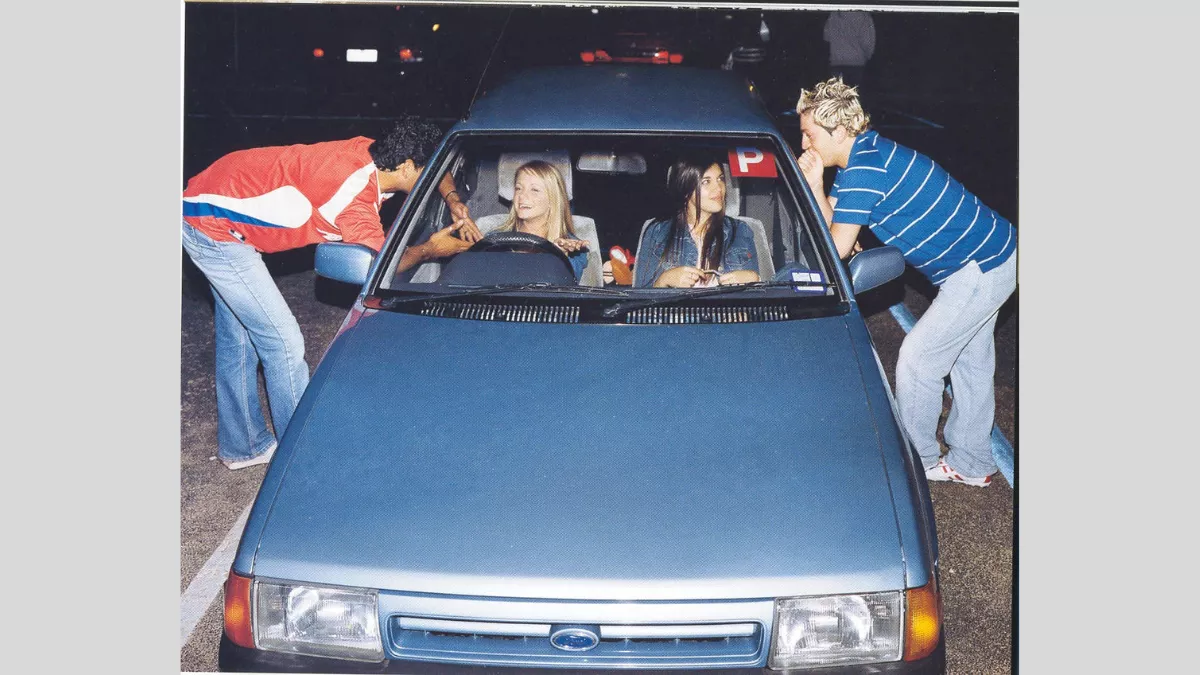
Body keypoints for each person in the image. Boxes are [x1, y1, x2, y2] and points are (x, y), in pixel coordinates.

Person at [181, 116, 481, 470]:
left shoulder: (374, 154)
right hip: (211, 226)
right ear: (405, 167)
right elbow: (378, 265)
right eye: (427, 173)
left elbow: (432, 164)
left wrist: (452, 198)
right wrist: (431, 250)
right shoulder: (352, 202)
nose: (432, 179)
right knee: (283, 341)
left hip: (219, 193)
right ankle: (299, 463)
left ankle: (243, 447)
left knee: (241, 339)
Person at [795, 77, 1016, 487]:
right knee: (970, 362)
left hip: (981, 265)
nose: (805, 144)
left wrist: (812, 184)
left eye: (809, 135)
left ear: (838, 129)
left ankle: (918, 461)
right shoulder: (861, 160)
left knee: (918, 359)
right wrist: (817, 186)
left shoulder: (864, 167)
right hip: (991, 254)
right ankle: (975, 461)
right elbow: (840, 229)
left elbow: (839, 247)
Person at [633, 155, 759, 288]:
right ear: (686, 190)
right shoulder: (658, 232)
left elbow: (758, 297)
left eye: (720, 179)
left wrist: (754, 279)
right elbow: (640, 295)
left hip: (726, 309)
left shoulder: (740, 231)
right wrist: (663, 281)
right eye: (706, 181)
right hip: (676, 309)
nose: (719, 188)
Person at [489, 160, 589, 282]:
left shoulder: (573, 249)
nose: (522, 196)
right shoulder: (494, 239)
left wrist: (558, 257)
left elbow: (564, 289)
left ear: (553, 199)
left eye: (534, 190)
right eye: (518, 188)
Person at [822, 11, 875, 91]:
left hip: (836, 61)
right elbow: (868, 41)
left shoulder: (835, 13)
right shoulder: (863, 15)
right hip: (856, 63)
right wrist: (868, 57)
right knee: (854, 97)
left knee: (837, 97)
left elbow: (827, 36)